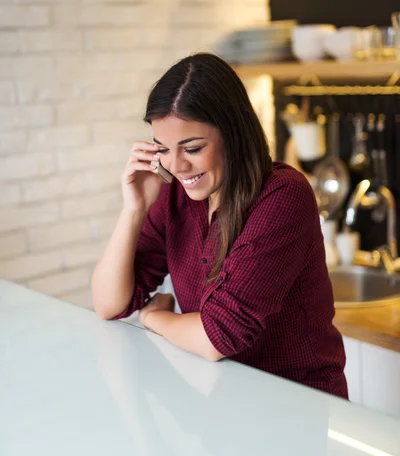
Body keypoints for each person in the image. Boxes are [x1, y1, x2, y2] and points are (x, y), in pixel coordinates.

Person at [91, 52, 348, 399]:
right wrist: (133, 209)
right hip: (222, 399)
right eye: (162, 149)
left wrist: (153, 319)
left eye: (193, 148)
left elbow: (217, 337)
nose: (177, 166)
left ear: (232, 134)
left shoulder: (282, 196)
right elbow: (109, 304)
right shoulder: (175, 197)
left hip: (297, 404)